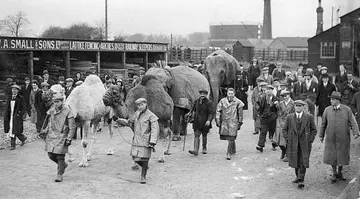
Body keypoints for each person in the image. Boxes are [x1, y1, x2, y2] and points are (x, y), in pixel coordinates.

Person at [115, 98, 158, 184]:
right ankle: (144, 167)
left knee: (145, 159)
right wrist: (118, 120)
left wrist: (152, 141)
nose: (140, 107)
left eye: (141, 105)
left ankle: (143, 176)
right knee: (135, 158)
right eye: (138, 105)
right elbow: (130, 123)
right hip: (136, 140)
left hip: (146, 141)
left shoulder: (151, 116)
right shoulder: (136, 114)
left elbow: (155, 129)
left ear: (145, 104)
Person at [319, 91, 360, 183]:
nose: (331, 101)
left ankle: (340, 172)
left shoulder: (347, 110)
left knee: (342, 155)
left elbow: (353, 121)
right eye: (331, 99)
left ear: (338, 100)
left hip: (343, 137)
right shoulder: (327, 110)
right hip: (331, 137)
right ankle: (334, 173)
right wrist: (321, 135)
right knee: (332, 155)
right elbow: (323, 124)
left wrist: (356, 132)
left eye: (333, 99)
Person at [41, 94, 76, 182]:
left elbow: (72, 126)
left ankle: (59, 174)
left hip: (62, 136)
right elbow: (48, 122)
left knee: (60, 156)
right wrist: (45, 130)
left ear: (62, 102)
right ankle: (63, 165)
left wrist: (69, 138)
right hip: (52, 135)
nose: (56, 104)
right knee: (51, 155)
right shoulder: (51, 111)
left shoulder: (68, 111)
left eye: (58, 102)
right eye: (54, 102)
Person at [282, 100, 317, 189]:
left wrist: (310, 140)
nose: (298, 107)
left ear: (303, 107)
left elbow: (314, 130)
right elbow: (284, 130)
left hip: (305, 143)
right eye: (296, 106)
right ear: (294, 107)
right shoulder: (290, 117)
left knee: (303, 160)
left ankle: (301, 179)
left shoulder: (309, 117)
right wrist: (288, 139)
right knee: (295, 160)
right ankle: (297, 176)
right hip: (293, 143)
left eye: (300, 106)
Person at [215, 88, 243, 160]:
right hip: (225, 122)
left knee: (231, 137)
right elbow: (218, 110)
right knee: (228, 137)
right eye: (229, 93)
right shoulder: (222, 101)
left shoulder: (238, 102)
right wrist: (217, 119)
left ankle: (228, 153)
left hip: (233, 122)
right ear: (227, 93)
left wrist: (240, 122)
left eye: (232, 94)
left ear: (234, 94)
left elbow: (240, 113)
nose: (230, 95)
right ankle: (233, 148)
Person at [188, 89, 214, 155]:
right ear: (200, 94)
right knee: (196, 135)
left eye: (204, 94)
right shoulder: (196, 101)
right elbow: (193, 109)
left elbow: (211, 113)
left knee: (204, 135)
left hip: (205, 122)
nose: (202, 95)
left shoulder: (209, 103)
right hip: (197, 121)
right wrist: (189, 113)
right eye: (201, 94)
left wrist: (209, 120)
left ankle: (204, 148)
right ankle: (195, 150)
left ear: (206, 95)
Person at [256, 85, 279, 152]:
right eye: (267, 89)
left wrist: (277, 105)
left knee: (272, 132)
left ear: (272, 90)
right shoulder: (262, 98)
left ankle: (274, 144)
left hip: (272, 118)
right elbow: (257, 105)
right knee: (263, 131)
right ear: (265, 91)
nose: (268, 91)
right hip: (264, 117)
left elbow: (278, 109)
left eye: (270, 89)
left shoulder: (276, 99)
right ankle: (260, 145)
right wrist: (259, 112)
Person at [3, 85, 27, 150]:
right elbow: (7, 107)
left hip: (16, 117)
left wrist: (19, 114)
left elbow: (23, 108)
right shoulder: (9, 97)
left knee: (15, 130)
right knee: (12, 129)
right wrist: (6, 114)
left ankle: (13, 145)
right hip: (10, 116)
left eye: (15, 89)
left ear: (18, 91)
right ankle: (22, 138)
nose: (13, 91)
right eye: (13, 89)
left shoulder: (21, 98)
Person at [274, 90, 295, 162]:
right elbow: (277, 112)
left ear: (289, 95)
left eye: (286, 96)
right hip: (280, 123)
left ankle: (288, 155)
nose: (285, 97)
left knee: (288, 140)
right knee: (279, 140)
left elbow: (294, 115)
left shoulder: (293, 104)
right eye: (283, 96)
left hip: (289, 123)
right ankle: (283, 151)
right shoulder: (280, 103)